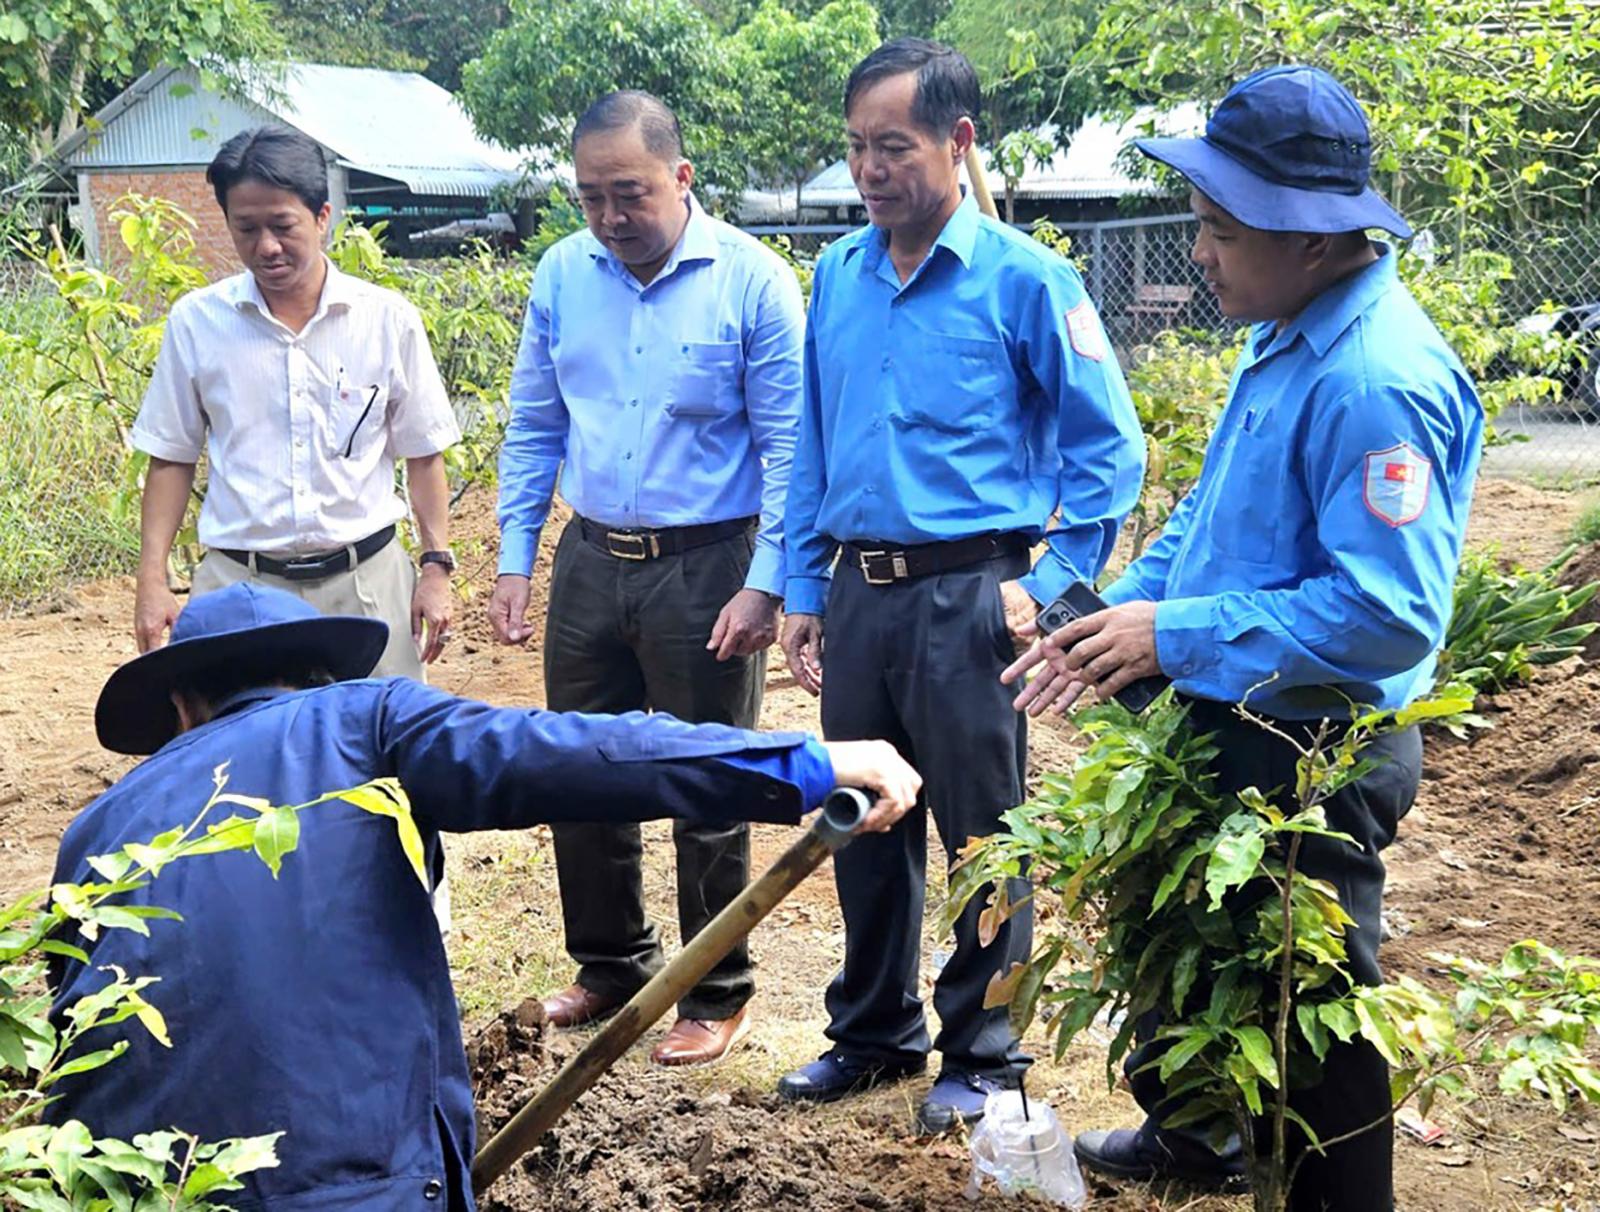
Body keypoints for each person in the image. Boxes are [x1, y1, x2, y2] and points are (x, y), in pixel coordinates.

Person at [1002, 65, 1483, 1212]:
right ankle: (1200, 1141)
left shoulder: (1373, 381)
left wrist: (1178, 632)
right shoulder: (1287, 333)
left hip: (1311, 749)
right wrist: (1116, 618)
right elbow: (1211, 522)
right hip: (1236, 712)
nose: (1198, 254)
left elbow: (1386, 615)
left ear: (1315, 240)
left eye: (1219, 231)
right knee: (1212, 964)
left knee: (1307, 1015)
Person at [46, 582, 920, 1212]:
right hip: (357, 1184)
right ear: (318, 676)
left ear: (181, 709)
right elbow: (574, 753)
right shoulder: (363, 722)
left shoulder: (89, 832)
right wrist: (806, 763)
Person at [778, 39, 1145, 1133]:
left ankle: (983, 1052)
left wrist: (1056, 582)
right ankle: (872, 1033)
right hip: (860, 597)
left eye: (892, 146)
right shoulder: (837, 276)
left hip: (971, 600)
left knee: (985, 837)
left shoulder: (1027, 281)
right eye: (856, 149)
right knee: (860, 819)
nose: (870, 170)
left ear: (957, 140)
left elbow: (1108, 451)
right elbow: (814, 448)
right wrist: (803, 587)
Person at [487, 91, 805, 1066]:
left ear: (680, 177)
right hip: (590, 559)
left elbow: (790, 445)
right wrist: (514, 554)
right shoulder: (561, 274)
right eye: (590, 197)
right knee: (577, 771)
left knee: (709, 781)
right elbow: (535, 421)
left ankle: (715, 989)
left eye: (628, 193)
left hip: (708, 564)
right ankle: (611, 963)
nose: (610, 216)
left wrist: (767, 580)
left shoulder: (751, 282)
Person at [132, 124, 460, 681]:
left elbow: (424, 453)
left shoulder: (386, 319)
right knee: (249, 753)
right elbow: (171, 457)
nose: (266, 246)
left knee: (380, 747)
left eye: (282, 226)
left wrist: (435, 568)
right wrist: (152, 580)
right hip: (242, 592)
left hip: (368, 587)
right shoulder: (197, 323)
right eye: (247, 228)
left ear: (322, 217)